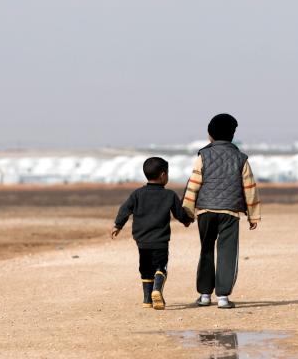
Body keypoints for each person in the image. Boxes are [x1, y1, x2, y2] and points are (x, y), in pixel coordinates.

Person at [182, 113, 261, 309]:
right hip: (230, 213)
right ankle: (223, 297)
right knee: (227, 252)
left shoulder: (203, 155)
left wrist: (188, 212)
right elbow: (249, 187)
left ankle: (204, 295)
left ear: (210, 134)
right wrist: (253, 215)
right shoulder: (241, 158)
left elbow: (193, 184)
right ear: (232, 135)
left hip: (205, 211)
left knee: (206, 250)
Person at [111, 157, 193, 310]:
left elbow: (125, 209)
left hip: (142, 240)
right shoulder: (169, 195)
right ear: (163, 175)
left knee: (145, 268)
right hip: (160, 241)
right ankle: (157, 289)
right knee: (161, 267)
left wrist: (118, 225)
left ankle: (147, 300)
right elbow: (179, 214)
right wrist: (187, 220)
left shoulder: (137, 194)